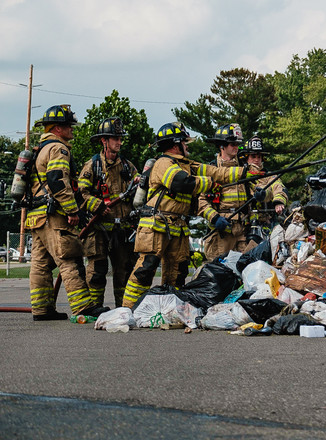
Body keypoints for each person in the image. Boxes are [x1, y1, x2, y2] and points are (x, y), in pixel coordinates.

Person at [122, 122, 248, 309]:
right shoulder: (164, 163)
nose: (187, 145)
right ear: (175, 144)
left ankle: (168, 308)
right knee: (145, 269)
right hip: (157, 224)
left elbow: (217, 172)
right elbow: (181, 183)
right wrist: (208, 184)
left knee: (177, 272)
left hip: (177, 226)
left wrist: (246, 171)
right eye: (185, 142)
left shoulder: (187, 164)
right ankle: (128, 309)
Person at [24, 105, 108, 321]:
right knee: (69, 259)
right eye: (69, 126)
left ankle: (42, 310)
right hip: (54, 216)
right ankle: (83, 307)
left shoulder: (39, 149)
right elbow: (57, 180)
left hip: (36, 216)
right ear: (58, 128)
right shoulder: (58, 149)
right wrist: (72, 210)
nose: (72, 130)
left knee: (40, 265)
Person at [77, 117, 139, 308]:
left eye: (120, 138)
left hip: (124, 230)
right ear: (104, 141)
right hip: (99, 230)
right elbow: (81, 193)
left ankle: (124, 310)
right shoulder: (93, 166)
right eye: (115, 138)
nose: (119, 142)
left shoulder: (128, 167)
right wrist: (97, 205)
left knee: (124, 272)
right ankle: (96, 308)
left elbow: (142, 191)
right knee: (97, 272)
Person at [198, 123, 263, 260]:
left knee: (244, 272)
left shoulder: (245, 169)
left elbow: (264, 184)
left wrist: (262, 194)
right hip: (221, 234)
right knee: (220, 273)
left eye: (238, 143)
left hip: (243, 232)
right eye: (232, 144)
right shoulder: (211, 170)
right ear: (222, 146)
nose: (236, 147)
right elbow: (201, 201)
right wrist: (214, 218)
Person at [240, 136, 288, 240]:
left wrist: (278, 202)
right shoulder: (240, 176)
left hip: (265, 224)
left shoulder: (269, 175)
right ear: (246, 158)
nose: (257, 160)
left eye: (259, 156)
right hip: (242, 227)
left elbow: (278, 187)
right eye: (253, 156)